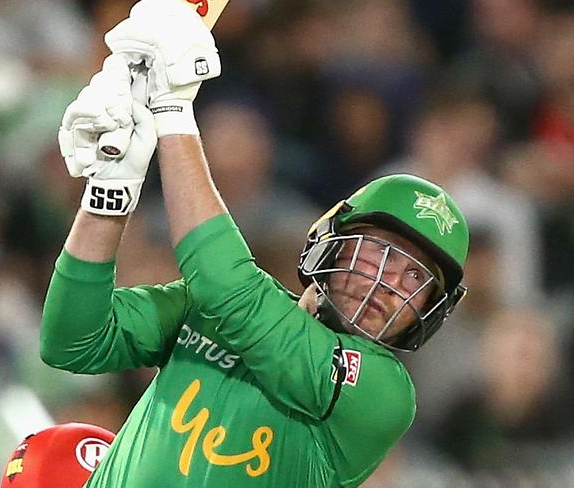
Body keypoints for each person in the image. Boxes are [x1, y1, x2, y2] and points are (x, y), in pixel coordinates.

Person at [38, 1, 470, 486]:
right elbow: (72, 342)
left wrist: (172, 110)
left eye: (417, 279)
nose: (391, 283)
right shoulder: (209, 304)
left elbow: (230, 291)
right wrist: (109, 194)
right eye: (383, 252)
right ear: (330, 240)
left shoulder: (383, 392)